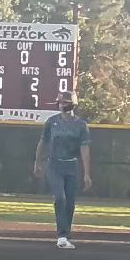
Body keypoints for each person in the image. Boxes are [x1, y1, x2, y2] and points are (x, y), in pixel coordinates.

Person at [33, 92, 93, 250]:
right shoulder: (52, 122)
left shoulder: (81, 125)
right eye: (59, 102)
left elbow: (84, 149)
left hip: (71, 166)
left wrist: (87, 174)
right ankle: (61, 235)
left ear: (72, 104)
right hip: (54, 165)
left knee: (70, 203)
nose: (61, 105)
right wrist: (37, 162)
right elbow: (43, 142)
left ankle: (66, 234)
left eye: (64, 102)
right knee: (60, 198)